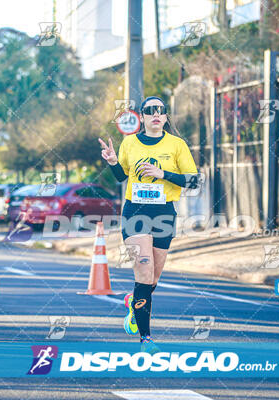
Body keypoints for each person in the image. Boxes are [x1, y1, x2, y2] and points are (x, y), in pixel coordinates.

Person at [98, 96, 199, 353]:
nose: (156, 114)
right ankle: (146, 339)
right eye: (150, 111)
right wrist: (112, 162)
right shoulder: (130, 142)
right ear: (141, 117)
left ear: (165, 117)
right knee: (143, 268)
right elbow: (122, 176)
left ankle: (134, 302)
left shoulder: (177, 144)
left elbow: (194, 181)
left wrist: (163, 174)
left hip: (164, 213)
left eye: (161, 111)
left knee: (152, 279)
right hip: (136, 212)